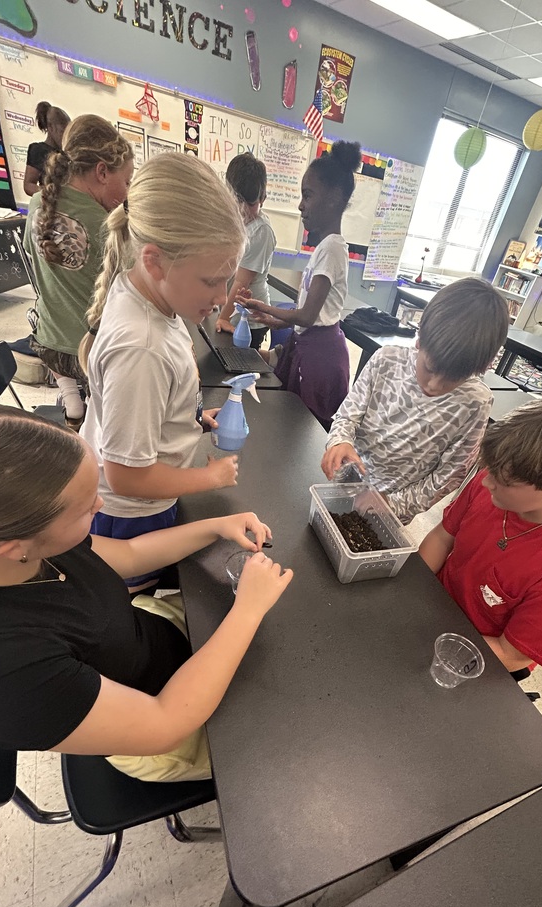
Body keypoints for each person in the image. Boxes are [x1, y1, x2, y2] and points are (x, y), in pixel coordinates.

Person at [0, 404, 292, 783]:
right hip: (166, 725)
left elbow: (130, 554)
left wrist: (216, 526)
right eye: (84, 509)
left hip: (156, 642)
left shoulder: (22, 546)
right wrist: (247, 611)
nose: (99, 504)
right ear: (14, 545)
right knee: (291, 733)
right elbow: (165, 722)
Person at [79, 153, 246, 592]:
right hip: (132, 514)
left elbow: (145, 405)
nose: (220, 297)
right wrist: (208, 478)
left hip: (141, 497)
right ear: (154, 261)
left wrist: (187, 419)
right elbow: (125, 474)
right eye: (211, 280)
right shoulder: (142, 348)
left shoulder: (151, 295)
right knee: (147, 600)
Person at [419, 399, 542, 674]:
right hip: (433, 603)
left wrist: (428, 642)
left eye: (503, 482)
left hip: (476, 651)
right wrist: (411, 590)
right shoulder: (495, 481)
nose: (486, 481)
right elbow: (443, 537)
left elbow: (511, 654)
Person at [321, 278, 508, 523]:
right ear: (419, 339)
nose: (434, 385)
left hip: (391, 509)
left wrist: (391, 503)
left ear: (483, 367)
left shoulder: (475, 403)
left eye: (452, 380)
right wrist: (339, 440)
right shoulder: (386, 360)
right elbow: (348, 414)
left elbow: (450, 475)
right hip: (346, 481)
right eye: (429, 368)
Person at [240, 140, 362, 429]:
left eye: (307, 196)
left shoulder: (332, 248)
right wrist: (274, 319)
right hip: (311, 348)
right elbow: (309, 316)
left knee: (300, 436)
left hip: (321, 360)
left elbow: (308, 316)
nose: (300, 205)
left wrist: (265, 306)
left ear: (333, 197)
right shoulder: (324, 248)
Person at [24, 114, 133, 426]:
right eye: (126, 181)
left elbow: (33, 263)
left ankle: (71, 398)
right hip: (91, 355)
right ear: (101, 172)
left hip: (48, 345)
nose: (126, 193)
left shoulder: (37, 204)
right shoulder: (109, 225)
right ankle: (92, 413)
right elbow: (131, 291)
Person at [215, 152, 277, 349]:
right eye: (237, 201)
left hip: (249, 319)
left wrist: (223, 318)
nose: (243, 209)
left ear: (263, 198)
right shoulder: (233, 221)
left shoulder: (261, 231)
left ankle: (273, 359)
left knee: (239, 364)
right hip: (229, 309)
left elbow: (241, 282)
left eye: (251, 203)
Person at [24, 101, 70, 197]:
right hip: (47, 203)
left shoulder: (67, 153)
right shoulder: (38, 150)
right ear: (50, 127)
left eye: (68, 133)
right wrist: (49, 193)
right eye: (62, 131)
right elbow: (28, 185)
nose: (65, 136)